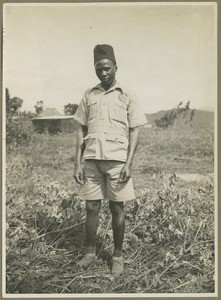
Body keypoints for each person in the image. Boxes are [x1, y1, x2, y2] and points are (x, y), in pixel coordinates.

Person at [73, 44, 147, 275]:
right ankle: (90, 253)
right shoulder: (89, 94)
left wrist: (129, 163)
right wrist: (77, 162)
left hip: (117, 161)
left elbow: (134, 130)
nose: (103, 73)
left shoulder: (128, 94)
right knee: (91, 207)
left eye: (107, 68)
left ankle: (117, 256)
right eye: (98, 69)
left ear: (115, 67)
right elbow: (80, 129)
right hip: (92, 159)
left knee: (117, 208)